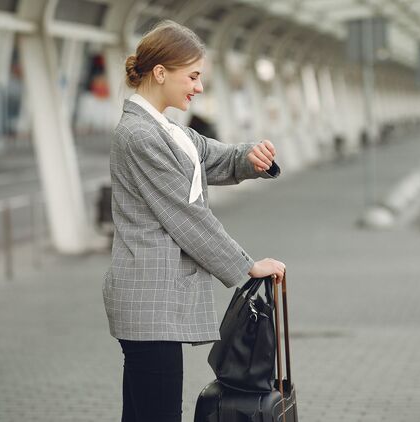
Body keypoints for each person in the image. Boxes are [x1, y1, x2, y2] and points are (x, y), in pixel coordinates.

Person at [102, 20, 286, 422]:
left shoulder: (167, 129)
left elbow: (212, 156)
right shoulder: (140, 135)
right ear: (160, 72)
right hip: (149, 300)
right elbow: (185, 216)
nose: (199, 87)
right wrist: (246, 265)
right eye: (193, 76)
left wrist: (249, 157)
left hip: (154, 301)